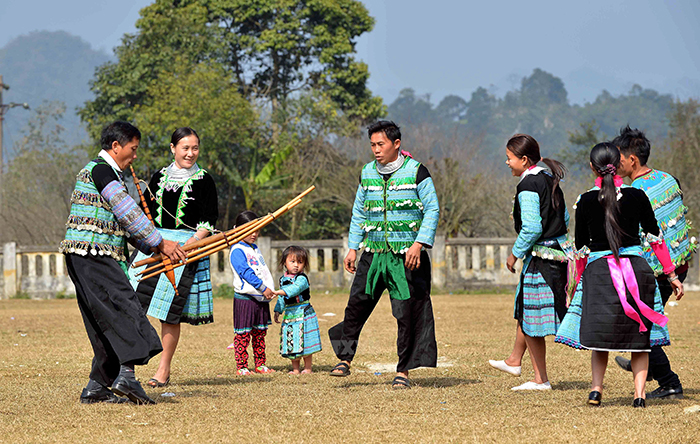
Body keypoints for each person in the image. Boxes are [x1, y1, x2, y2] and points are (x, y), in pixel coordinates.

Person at [59, 121, 186, 405]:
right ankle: (126, 377)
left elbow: (122, 226)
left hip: (84, 256)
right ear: (116, 146)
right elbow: (127, 211)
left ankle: (98, 385)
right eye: (133, 148)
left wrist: (154, 247)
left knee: (102, 318)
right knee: (125, 309)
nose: (135, 155)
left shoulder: (100, 172)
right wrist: (161, 242)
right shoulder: (102, 171)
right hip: (95, 255)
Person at [555, 142, 683, 408]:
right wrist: (671, 275)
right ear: (619, 165)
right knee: (640, 338)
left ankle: (595, 391)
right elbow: (657, 240)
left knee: (601, 337)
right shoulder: (638, 196)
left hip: (600, 273)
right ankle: (639, 396)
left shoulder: (586, 200)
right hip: (637, 271)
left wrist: (578, 284)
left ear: (593, 167)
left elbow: (580, 249)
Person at [328, 120, 440, 390]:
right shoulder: (366, 172)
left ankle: (404, 371)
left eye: (381, 144)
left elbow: (432, 210)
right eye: (372, 145)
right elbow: (359, 212)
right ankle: (344, 358)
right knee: (356, 305)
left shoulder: (417, 171)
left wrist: (418, 244)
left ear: (396, 144)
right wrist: (353, 247)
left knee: (407, 314)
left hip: (407, 257)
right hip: (374, 253)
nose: (376, 150)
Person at [127, 127, 218, 387]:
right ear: (172, 148)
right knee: (133, 303)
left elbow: (209, 219)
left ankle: (163, 370)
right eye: (185, 148)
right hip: (154, 244)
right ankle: (127, 365)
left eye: (195, 148)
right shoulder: (157, 177)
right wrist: (150, 237)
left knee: (169, 313)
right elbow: (144, 213)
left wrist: (193, 242)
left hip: (185, 249)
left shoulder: (204, 180)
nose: (190, 153)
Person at [612, 125, 694, 400]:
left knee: (640, 326)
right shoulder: (669, 179)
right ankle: (642, 362)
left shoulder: (634, 191)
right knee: (640, 321)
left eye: (619, 158)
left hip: (656, 269)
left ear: (632, 159)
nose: (615, 164)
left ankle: (669, 381)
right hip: (678, 265)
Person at [489, 134, 571, 391]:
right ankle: (514, 360)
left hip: (540, 258)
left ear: (524, 160)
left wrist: (515, 253)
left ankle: (540, 379)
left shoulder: (528, 186)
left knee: (532, 318)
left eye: (510, 158)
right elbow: (566, 218)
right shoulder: (549, 178)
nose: (507, 162)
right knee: (526, 310)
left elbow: (532, 227)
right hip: (558, 254)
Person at [229, 211, 276, 375]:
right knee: (243, 333)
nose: (254, 234)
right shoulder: (237, 250)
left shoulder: (254, 248)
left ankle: (260, 364)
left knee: (259, 333)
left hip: (260, 299)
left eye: (257, 230)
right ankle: (241, 366)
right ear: (239, 229)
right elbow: (246, 273)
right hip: (246, 298)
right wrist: (263, 288)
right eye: (250, 230)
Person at [272, 246, 322, 374]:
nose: (296, 265)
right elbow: (282, 298)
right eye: (292, 262)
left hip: (303, 312)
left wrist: (278, 292)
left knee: (305, 341)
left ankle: (308, 368)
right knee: (292, 340)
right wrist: (278, 310)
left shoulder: (302, 279)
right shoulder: (283, 280)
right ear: (285, 263)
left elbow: (294, 289)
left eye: (300, 262)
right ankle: (295, 369)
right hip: (290, 314)